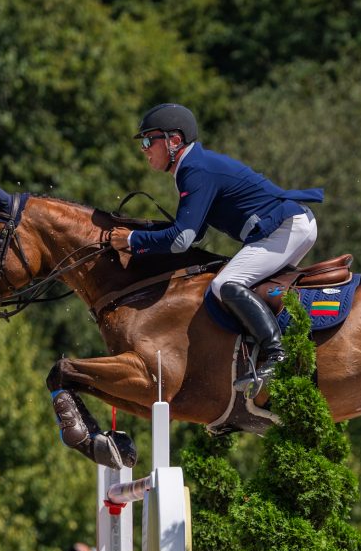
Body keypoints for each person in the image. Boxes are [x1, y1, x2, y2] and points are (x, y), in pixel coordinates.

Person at [110, 103, 323, 392]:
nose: (144, 148)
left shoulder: (195, 169)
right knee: (255, 287)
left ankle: (278, 354)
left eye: (149, 140)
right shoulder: (192, 167)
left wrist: (133, 241)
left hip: (286, 227)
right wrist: (143, 234)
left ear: (174, 141)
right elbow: (194, 234)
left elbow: (182, 239)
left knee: (226, 283)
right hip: (288, 225)